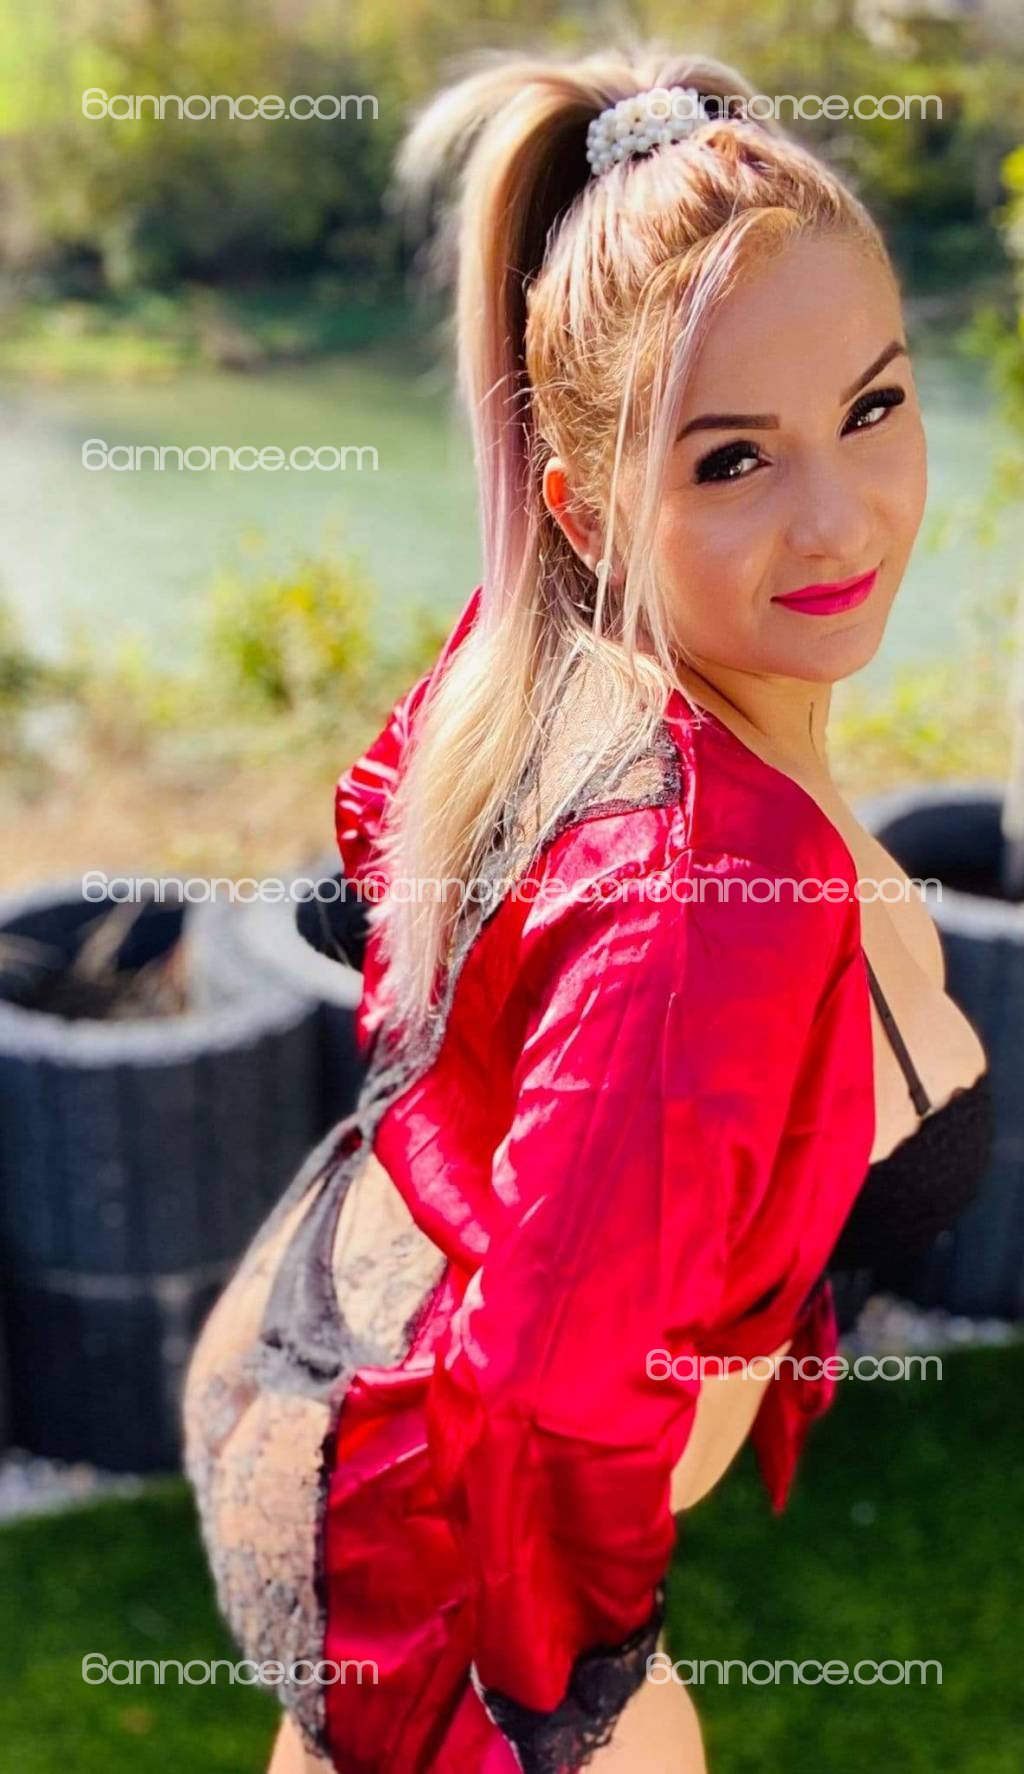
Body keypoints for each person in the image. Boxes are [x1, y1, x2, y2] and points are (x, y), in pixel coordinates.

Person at [182, 43, 994, 1774]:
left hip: (329, 1373)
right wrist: (565, 1699)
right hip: (452, 1586)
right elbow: (547, 1388)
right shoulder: (707, 892)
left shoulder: (559, 662)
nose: (840, 515)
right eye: (731, 460)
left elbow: (375, 851)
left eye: (872, 406)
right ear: (587, 507)